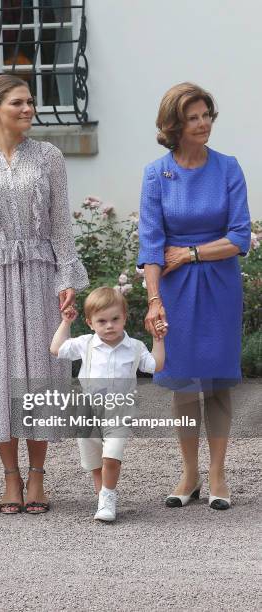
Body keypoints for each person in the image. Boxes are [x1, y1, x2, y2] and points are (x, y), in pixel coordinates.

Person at [0, 74, 88, 514]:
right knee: (1, 370)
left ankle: (39, 476)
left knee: (40, 371)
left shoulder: (49, 156)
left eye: (30, 102)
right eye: (18, 103)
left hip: (41, 273)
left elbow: (62, 224)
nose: (28, 109)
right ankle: (10, 477)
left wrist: (69, 280)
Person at [138, 82, 251, 510]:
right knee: (183, 383)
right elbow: (150, 244)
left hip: (219, 283)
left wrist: (190, 253)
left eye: (207, 115)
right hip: (174, 289)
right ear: (175, 125)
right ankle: (189, 474)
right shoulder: (156, 174)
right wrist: (153, 300)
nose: (203, 124)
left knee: (219, 381)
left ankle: (219, 474)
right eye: (193, 117)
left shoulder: (228, 167)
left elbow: (240, 237)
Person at [50, 287, 166, 521]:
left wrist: (157, 338)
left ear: (125, 316)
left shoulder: (134, 347)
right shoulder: (86, 343)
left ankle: (109, 496)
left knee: (111, 456)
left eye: (115, 319)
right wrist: (65, 323)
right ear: (90, 323)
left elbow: (156, 365)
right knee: (95, 460)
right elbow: (56, 349)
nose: (109, 325)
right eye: (101, 321)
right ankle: (103, 499)